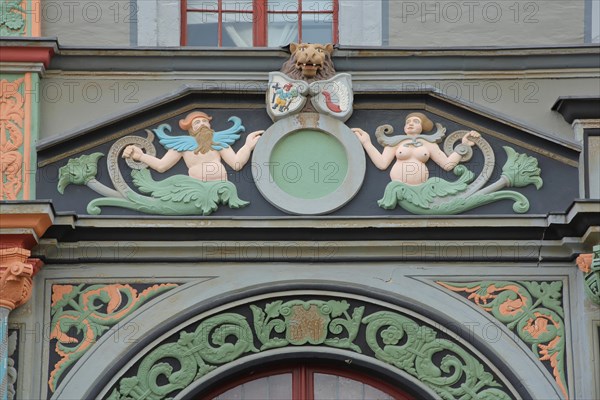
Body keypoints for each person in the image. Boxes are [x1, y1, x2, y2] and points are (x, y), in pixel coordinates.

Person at [122, 111, 263, 182]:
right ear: (191, 130)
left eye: (204, 121)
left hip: (221, 186)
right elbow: (161, 166)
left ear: (209, 125)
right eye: (197, 123)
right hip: (196, 189)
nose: (201, 124)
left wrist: (248, 146)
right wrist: (140, 155)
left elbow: (236, 164)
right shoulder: (182, 144)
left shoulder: (218, 141)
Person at [352, 112, 480, 185]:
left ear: (422, 127)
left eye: (416, 121)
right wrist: (366, 143)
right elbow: (382, 164)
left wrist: (464, 147)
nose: (411, 124)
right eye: (408, 122)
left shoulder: (428, 143)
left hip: (422, 189)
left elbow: (447, 165)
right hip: (397, 187)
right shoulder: (395, 141)